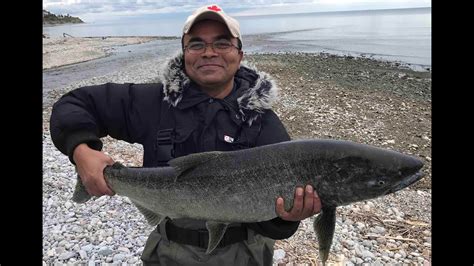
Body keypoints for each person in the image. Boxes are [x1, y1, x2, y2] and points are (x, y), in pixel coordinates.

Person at [50, 4, 321, 266]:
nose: (209, 52)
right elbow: (74, 104)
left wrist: (288, 218)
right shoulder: (152, 103)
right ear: (184, 53)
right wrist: (82, 151)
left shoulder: (264, 123)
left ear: (239, 55)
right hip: (167, 252)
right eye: (197, 44)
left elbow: (276, 228)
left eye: (222, 43)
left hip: (244, 255)